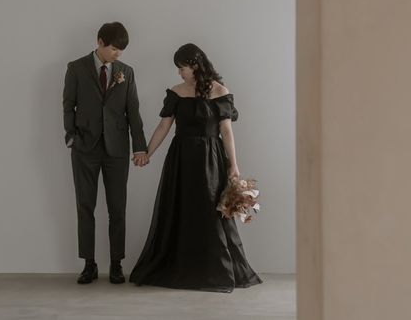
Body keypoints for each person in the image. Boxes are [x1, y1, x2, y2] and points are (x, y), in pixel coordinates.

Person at [129, 43, 262, 292]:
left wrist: (234, 165)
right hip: (181, 158)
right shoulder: (176, 92)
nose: (179, 73)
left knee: (211, 212)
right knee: (180, 208)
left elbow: (226, 131)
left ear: (195, 66)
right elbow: (164, 127)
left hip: (211, 159)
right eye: (179, 69)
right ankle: (182, 267)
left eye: (182, 68)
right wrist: (147, 152)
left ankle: (214, 269)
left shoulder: (220, 91)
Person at [63, 22, 149, 284]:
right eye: (113, 49)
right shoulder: (76, 68)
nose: (117, 54)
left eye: (121, 50)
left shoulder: (126, 72)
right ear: (99, 42)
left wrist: (140, 146)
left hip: (117, 150)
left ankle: (116, 264)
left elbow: (133, 111)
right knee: (85, 206)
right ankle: (89, 264)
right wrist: (71, 136)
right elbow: (68, 105)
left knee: (117, 208)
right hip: (84, 148)